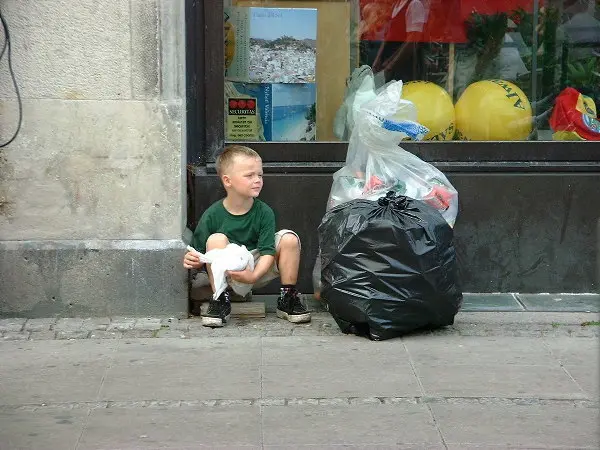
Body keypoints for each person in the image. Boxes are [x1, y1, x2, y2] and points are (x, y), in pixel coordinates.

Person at [183, 145, 311, 327]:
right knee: (215, 239)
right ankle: (219, 298)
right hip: (229, 273)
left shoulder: (264, 212)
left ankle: (287, 298)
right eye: (249, 175)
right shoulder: (213, 214)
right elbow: (197, 254)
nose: (257, 180)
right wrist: (194, 260)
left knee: (289, 238)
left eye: (260, 175)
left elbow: (267, 252)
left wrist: (253, 276)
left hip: (256, 269)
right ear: (228, 181)